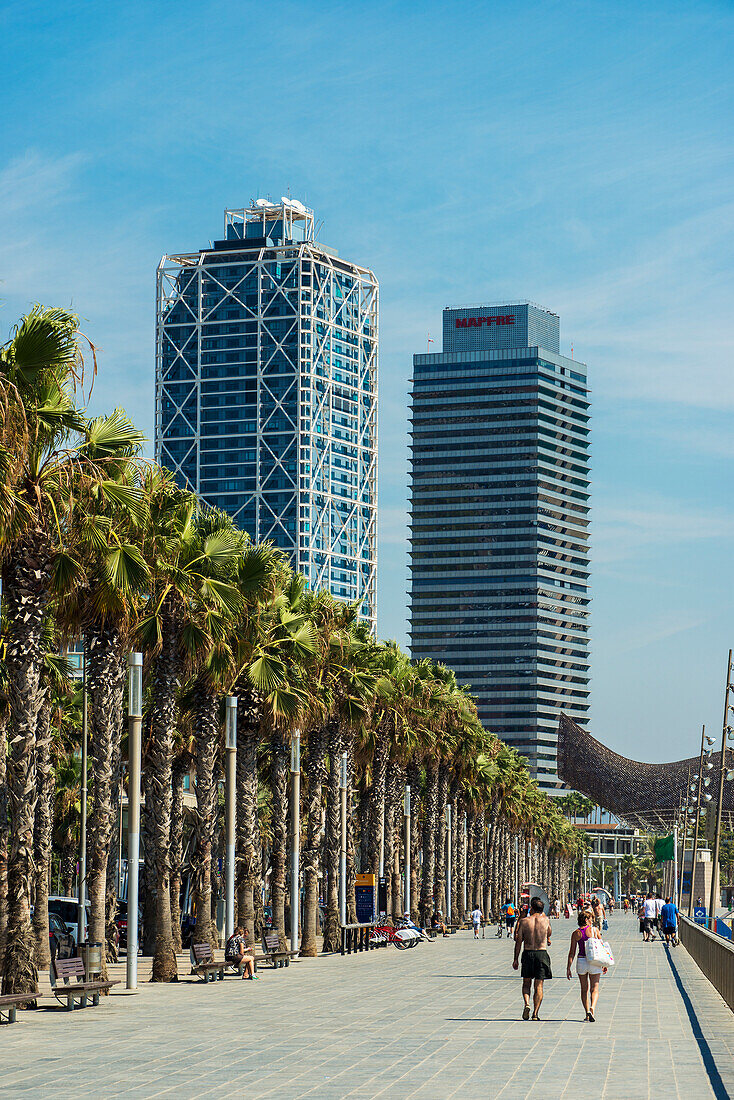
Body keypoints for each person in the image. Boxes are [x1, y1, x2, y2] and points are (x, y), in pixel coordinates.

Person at [513, 896, 552, 1021]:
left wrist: (515, 959)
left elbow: (518, 941)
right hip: (541, 953)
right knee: (539, 985)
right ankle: (535, 1013)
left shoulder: (524, 921)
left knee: (526, 984)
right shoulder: (546, 920)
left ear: (531, 908)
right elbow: (549, 933)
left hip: (528, 953)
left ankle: (527, 1004)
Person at [567, 909, 607, 1022]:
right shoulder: (595, 930)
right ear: (586, 920)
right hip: (594, 961)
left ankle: (586, 1012)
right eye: (591, 919)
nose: (592, 921)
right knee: (595, 988)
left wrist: (568, 968)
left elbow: (572, 952)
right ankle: (592, 1008)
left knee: (584, 989)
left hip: (581, 962)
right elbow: (602, 948)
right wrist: (604, 964)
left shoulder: (576, 933)